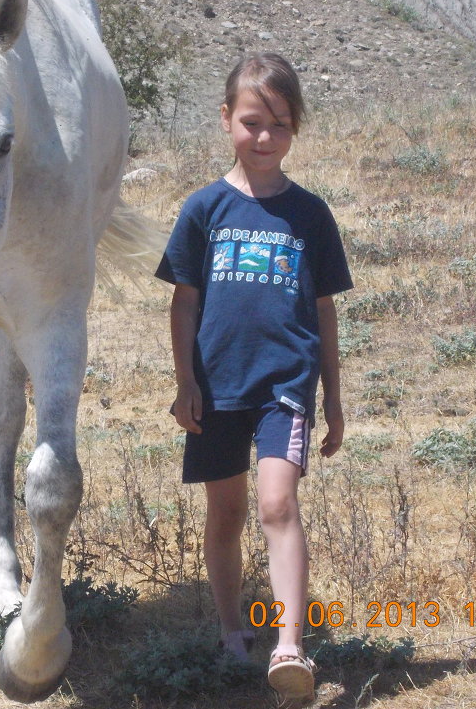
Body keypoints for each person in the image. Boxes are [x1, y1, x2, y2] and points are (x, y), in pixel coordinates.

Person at [155, 52, 352, 706]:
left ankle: (290, 645)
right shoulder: (204, 208)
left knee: (276, 503)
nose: (265, 138)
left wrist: (335, 397)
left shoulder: (310, 215)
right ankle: (232, 628)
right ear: (225, 120)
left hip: (285, 386)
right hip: (216, 387)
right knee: (227, 510)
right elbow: (184, 300)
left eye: (281, 125)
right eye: (252, 122)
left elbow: (323, 308)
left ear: (295, 129)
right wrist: (185, 380)